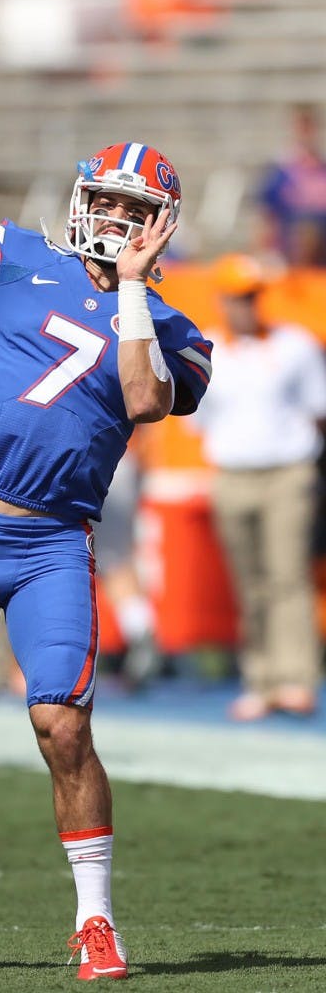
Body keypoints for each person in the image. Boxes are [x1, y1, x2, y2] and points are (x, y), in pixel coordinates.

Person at [0, 95, 212, 980]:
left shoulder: (174, 326)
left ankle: (95, 920)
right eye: (108, 200)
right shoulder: (17, 257)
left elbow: (143, 399)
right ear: (82, 198)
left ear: (162, 225)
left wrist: (134, 287)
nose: (117, 219)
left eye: (137, 210)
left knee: (62, 726)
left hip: (52, 544)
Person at [191, 253, 326, 721]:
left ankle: (296, 678)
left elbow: (317, 408)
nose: (245, 306)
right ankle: (261, 678)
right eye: (237, 298)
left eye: (251, 297)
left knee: (287, 574)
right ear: (223, 300)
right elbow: (199, 420)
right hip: (232, 475)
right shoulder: (208, 349)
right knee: (249, 582)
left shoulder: (294, 345)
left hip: (287, 472)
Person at [254, 103, 326, 268]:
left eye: (309, 127)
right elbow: (266, 215)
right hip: (289, 243)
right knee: (305, 231)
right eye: (302, 127)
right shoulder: (281, 171)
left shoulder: (321, 169)